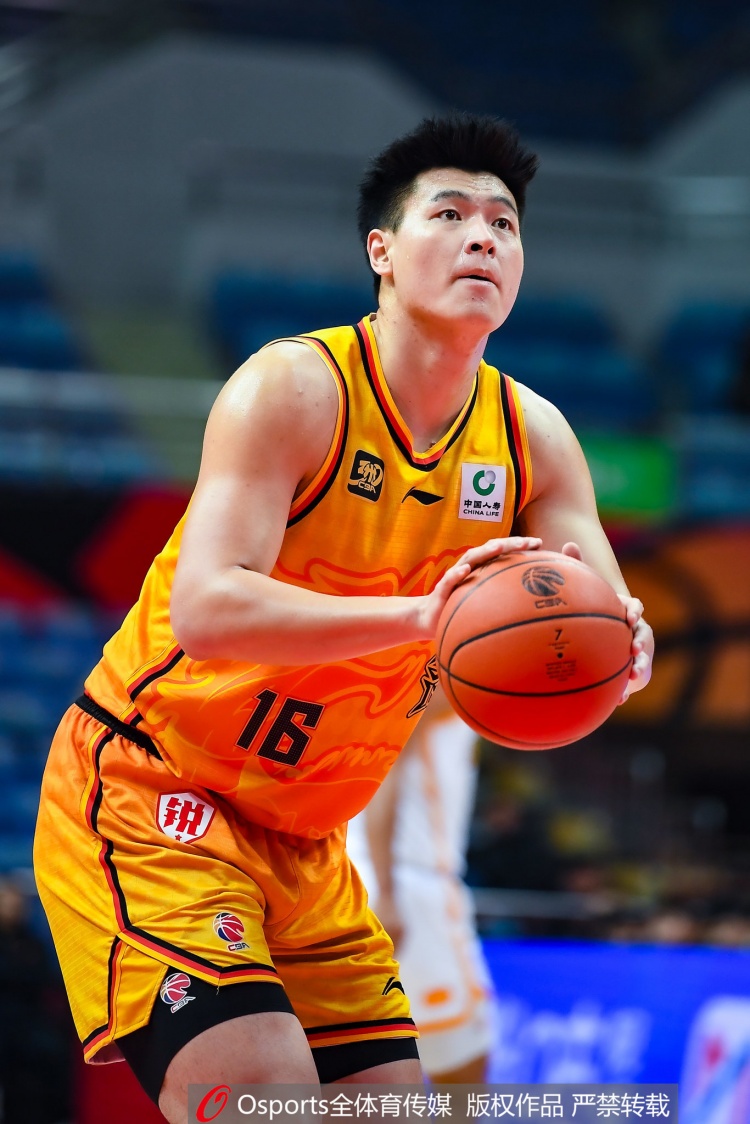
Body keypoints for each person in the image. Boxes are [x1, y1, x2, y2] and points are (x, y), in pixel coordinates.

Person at [34, 112, 653, 1122]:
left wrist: (623, 644)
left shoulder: (534, 438)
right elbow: (207, 606)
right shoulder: (293, 388)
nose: (483, 236)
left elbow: (595, 616)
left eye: (503, 223)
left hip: (308, 837)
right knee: (263, 1091)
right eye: (448, 214)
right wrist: (424, 617)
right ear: (381, 251)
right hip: (158, 787)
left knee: (389, 1108)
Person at [346, 688, 496, 1083]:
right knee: (463, 1066)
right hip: (406, 879)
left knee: (363, 1062)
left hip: (368, 874)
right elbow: (386, 776)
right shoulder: (432, 685)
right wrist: (387, 891)